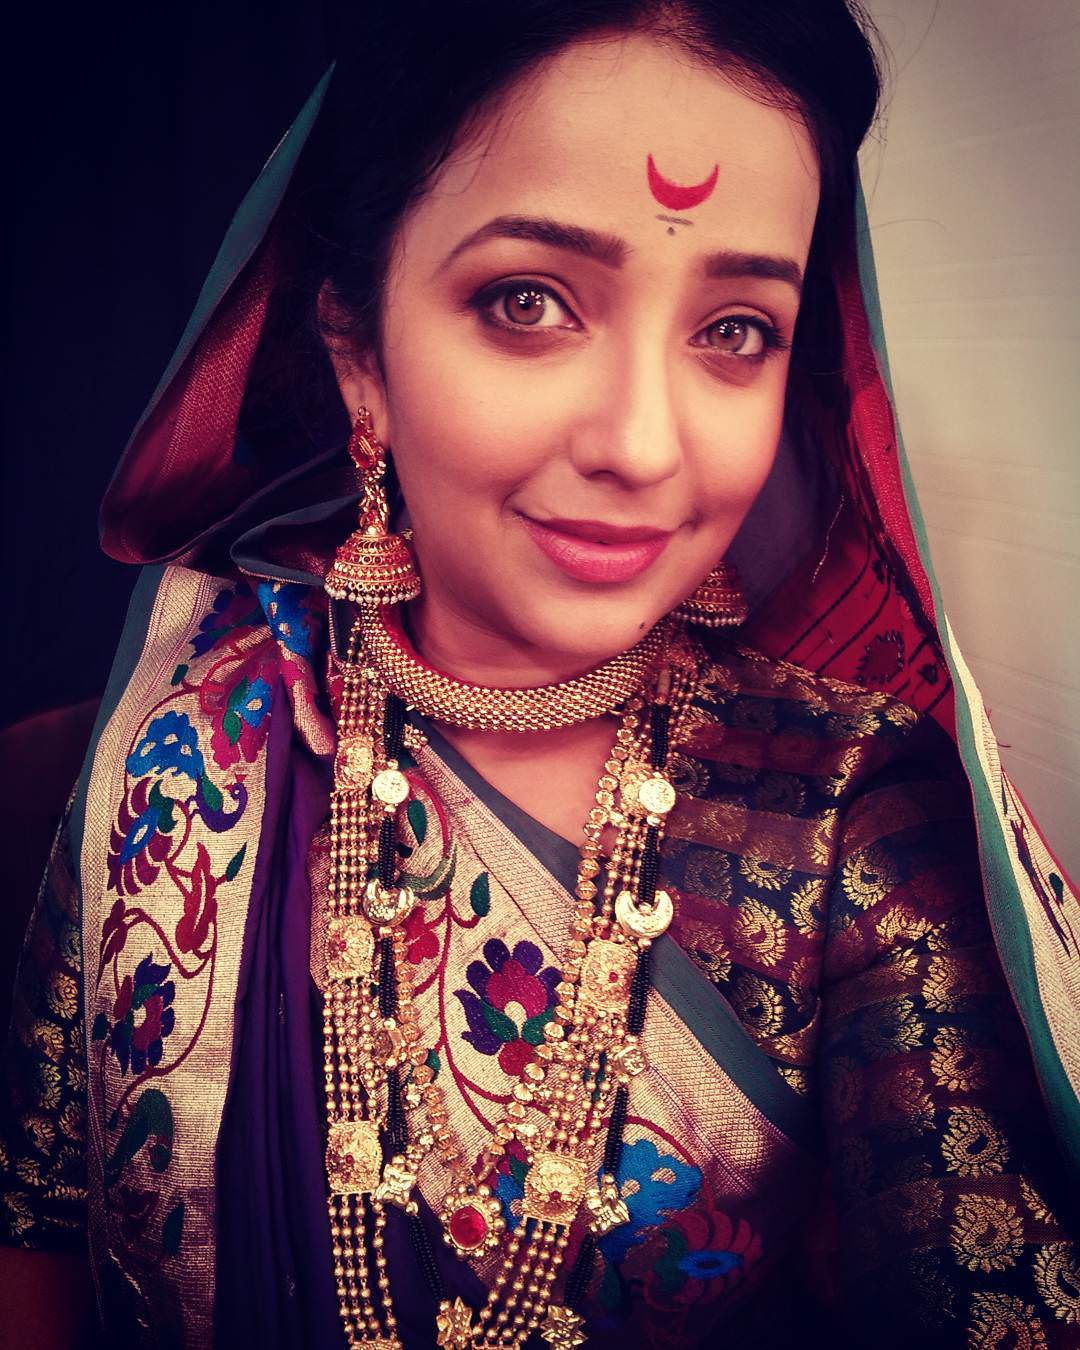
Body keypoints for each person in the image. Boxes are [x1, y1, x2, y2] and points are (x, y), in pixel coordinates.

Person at [2, 3, 1078, 1347]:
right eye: (530, 302)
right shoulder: (196, 718)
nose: (643, 442)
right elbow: (36, 1218)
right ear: (357, 351)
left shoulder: (848, 814)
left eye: (736, 329)